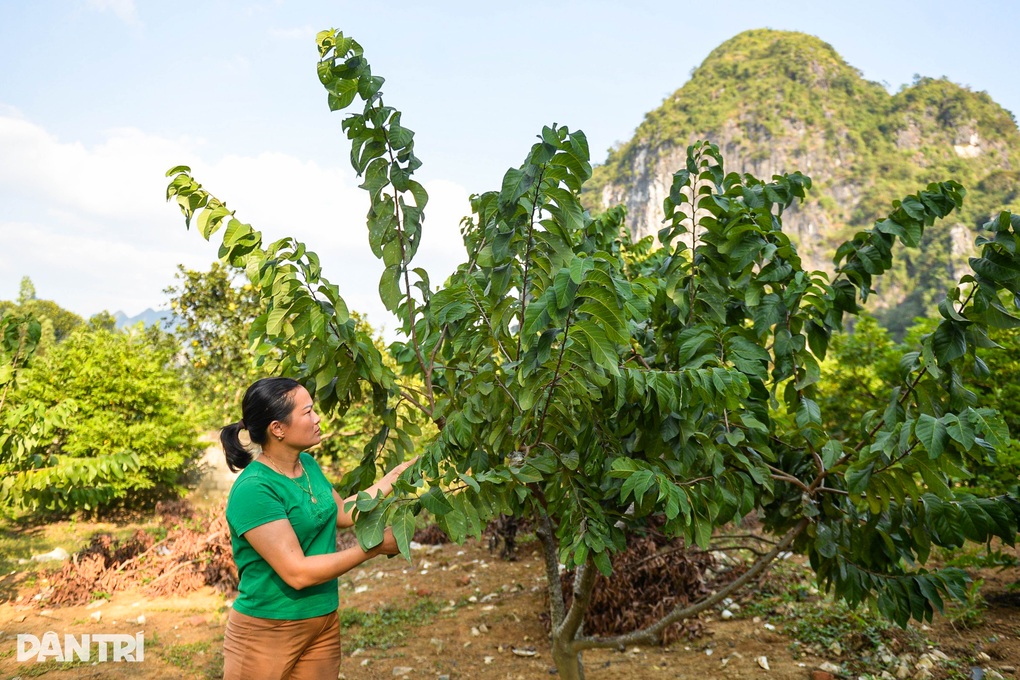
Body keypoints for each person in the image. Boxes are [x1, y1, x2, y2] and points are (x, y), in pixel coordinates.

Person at [219, 377, 415, 680]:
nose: (317, 418)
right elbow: (298, 572)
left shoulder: (307, 465)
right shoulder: (255, 489)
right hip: (267, 629)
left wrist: (394, 477)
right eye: (307, 412)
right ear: (278, 429)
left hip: (321, 620)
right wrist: (373, 548)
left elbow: (341, 513)